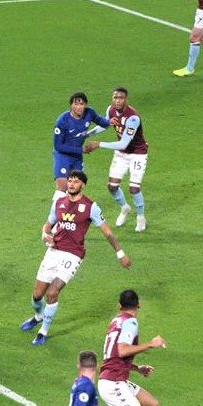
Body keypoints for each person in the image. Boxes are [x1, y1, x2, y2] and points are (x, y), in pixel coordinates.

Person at [21, 170, 131, 346]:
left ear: (83, 185)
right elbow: (48, 225)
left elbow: (107, 232)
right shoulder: (59, 203)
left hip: (73, 254)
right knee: (36, 295)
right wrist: (45, 235)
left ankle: (43, 332)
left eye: (76, 181)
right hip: (53, 252)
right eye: (70, 181)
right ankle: (38, 316)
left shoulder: (90, 207)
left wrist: (120, 253)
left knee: (52, 292)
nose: (71, 184)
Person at [83, 88, 150, 232]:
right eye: (115, 97)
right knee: (112, 187)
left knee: (134, 188)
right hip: (121, 154)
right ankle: (125, 208)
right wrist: (87, 135)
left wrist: (98, 144)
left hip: (137, 153)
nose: (117, 101)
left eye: (121, 98)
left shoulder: (133, 118)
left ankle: (140, 216)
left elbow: (123, 143)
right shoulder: (111, 110)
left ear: (126, 99)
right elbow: (106, 125)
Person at [51, 92, 113, 202]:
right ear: (71, 105)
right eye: (76, 104)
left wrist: (111, 121)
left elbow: (102, 122)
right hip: (63, 156)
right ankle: (54, 212)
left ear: (85, 104)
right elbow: (58, 146)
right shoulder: (62, 121)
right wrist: (81, 150)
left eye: (82, 104)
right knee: (62, 187)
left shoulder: (89, 113)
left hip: (76, 157)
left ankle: (70, 212)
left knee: (75, 187)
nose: (79, 107)